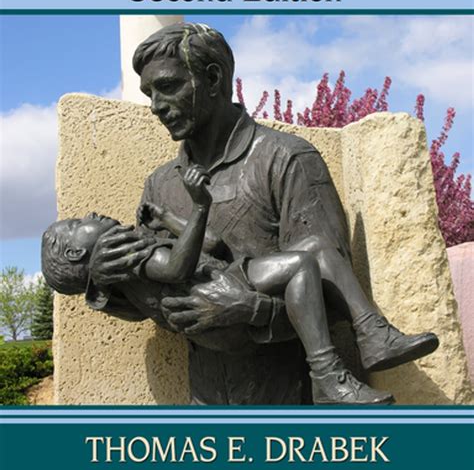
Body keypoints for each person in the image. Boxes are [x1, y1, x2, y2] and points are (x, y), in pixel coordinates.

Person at [86, 22, 438, 405]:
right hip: (205, 403)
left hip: (288, 401)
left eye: (168, 86)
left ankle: (369, 339)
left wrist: (251, 311)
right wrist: (103, 279)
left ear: (213, 78)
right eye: (149, 93)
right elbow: (154, 294)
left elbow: (330, 296)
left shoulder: (287, 159)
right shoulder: (160, 186)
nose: (156, 106)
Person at [42, 165, 395, 405]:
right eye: (76, 224)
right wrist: (199, 205)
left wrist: (166, 217)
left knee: (317, 246)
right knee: (302, 263)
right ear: (75, 252)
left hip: (226, 277)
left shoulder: (136, 242)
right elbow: (177, 268)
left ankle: (373, 335)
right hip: (216, 306)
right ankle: (327, 376)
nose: (89, 215)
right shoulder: (130, 256)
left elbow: (209, 243)